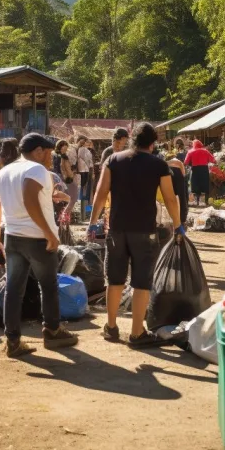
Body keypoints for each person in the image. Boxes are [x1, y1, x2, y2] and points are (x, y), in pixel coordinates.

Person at [88, 123, 183, 347]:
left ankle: (111, 327)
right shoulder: (159, 164)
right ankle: (137, 332)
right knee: (142, 281)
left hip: (117, 230)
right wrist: (178, 225)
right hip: (144, 231)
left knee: (115, 279)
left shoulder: (113, 160)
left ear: (132, 139)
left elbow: (101, 193)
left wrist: (92, 223)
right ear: (152, 143)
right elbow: (170, 198)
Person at [0, 133, 78, 358]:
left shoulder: (5, 171)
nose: (51, 159)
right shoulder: (37, 169)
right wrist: (49, 233)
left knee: (14, 289)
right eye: (49, 154)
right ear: (38, 151)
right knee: (48, 286)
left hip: (13, 237)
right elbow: (29, 198)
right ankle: (52, 330)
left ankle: (13, 341)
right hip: (38, 238)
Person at [183, 139, 216, 206]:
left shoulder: (190, 152)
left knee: (195, 184)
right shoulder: (205, 151)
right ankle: (203, 202)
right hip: (204, 170)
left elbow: (185, 162)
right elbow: (213, 160)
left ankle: (195, 202)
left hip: (194, 170)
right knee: (204, 184)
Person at [76, 136, 94, 215]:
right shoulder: (83, 150)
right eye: (87, 142)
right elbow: (90, 164)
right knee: (85, 193)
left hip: (85, 173)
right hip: (85, 173)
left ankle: (86, 212)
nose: (89, 144)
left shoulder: (89, 151)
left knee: (87, 194)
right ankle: (85, 213)